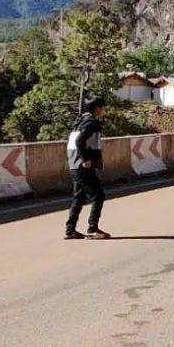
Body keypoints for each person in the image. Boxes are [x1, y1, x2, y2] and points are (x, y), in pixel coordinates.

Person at [65, 97, 111, 240]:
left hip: (74, 164)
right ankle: (92, 229)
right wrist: (85, 159)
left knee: (79, 197)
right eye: (103, 107)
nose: (104, 110)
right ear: (97, 108)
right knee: (98, 195)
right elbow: (79, 141)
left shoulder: (79, 121)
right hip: (82, 165)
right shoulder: (92, 122)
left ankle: (70, 230)